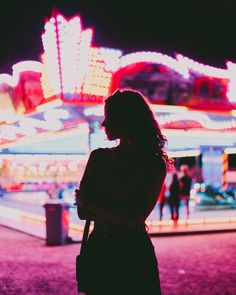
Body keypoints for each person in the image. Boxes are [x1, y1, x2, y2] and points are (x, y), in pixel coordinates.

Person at [74, 89, 171, 295]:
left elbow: (134, 217)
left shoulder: (102, 160)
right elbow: (84, 214)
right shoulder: (152, 164)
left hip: (112, 246)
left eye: (109, 118)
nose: (103, 124)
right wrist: (116, 212)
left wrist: (92, 204)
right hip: (127, 246)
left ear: (127, 120)